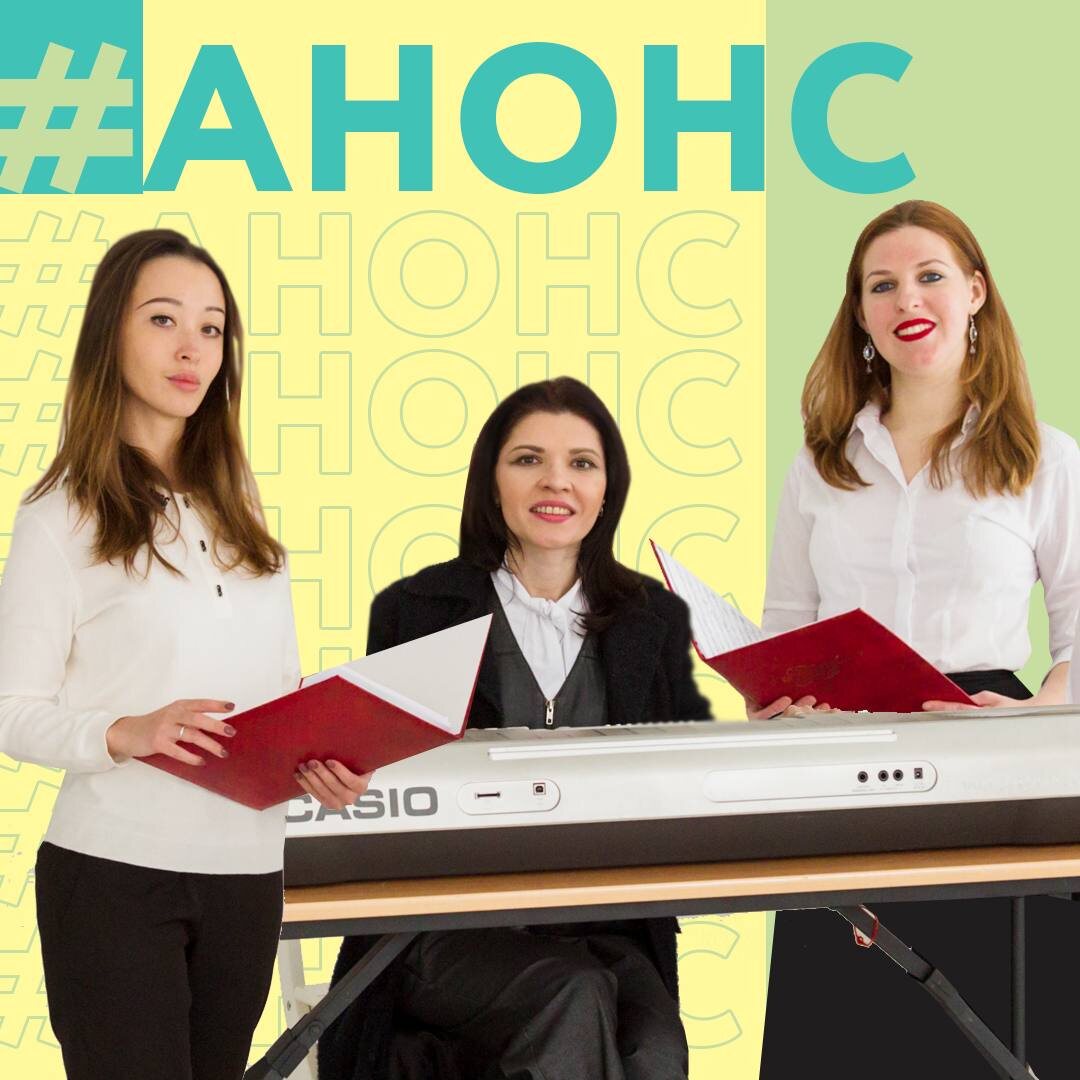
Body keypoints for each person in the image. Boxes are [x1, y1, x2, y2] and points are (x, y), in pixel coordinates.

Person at [0, 230, 370, 1080]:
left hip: (248, 874)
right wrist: (124, 731)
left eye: (212, 328)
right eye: (164, 319)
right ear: (110, 335)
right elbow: (10, 709)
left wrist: (320, 755)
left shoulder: (241, 508)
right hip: (116, 876)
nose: (192, 348)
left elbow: (271, 691)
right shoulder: (59, 518)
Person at [756, 200, 1080, 1078]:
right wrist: (777, 701)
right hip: (840, 759)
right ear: (860, 316)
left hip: (992, 756)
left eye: (930, 275)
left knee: (997, 1025)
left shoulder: (1045, 459)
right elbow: (785, 628)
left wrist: (1033, 717)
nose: (908, 298)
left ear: (976, 291)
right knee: (843, 1028)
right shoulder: (819, 465)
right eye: (882, 284)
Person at [318, 377, 712, 1080]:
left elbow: (688, 768)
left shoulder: (652, 618)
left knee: (654, 1049)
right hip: (439, 930)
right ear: (491, 483)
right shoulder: (417, 609)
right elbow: (374, 773)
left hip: (606, 924)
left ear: (607, 489)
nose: (556, 480)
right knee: (570, 994)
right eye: (528, 459)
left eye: (581, 463)